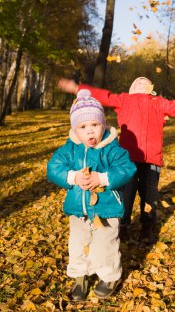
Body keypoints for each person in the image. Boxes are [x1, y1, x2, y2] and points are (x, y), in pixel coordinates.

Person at [57, 77, 175, 245]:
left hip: (151, 160)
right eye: (137, 82)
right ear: (131, 89)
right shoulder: (124, 100)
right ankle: (122, 226)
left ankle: (147, 227)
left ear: (151, 88)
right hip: (126, 161)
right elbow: (103, 96)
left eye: (146, 82)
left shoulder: (159, 102)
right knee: (126, 194)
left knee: (149, 195)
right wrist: (77, 88)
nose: (142, 82)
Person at [47, 89, 136, 301]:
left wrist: (103, 178)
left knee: (104, 245)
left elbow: (127, 168)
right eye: (83, 127)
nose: (90, 132)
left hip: (106, 209)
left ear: (103, 125)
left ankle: (109, 276)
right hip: (79, 209)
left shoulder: (112, 149)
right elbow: (53, 168)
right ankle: (80, 275)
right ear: (75, 129)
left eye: (95, 125)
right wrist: (73, 177)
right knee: (78, 244)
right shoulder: (70, 149)